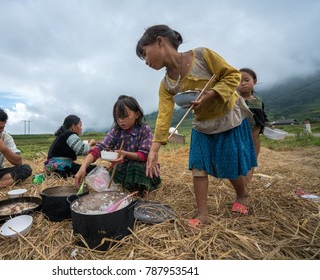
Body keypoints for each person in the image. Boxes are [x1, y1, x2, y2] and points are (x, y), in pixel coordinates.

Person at [136, 24, 257, 228]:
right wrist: (154, 151)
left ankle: (242, 194)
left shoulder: (202, 55)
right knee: (198, 166)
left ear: (159, 41)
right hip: (201, 123)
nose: (146, 61)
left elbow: (232, 76)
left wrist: (209, 95)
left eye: (145, 54)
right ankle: (202, 214)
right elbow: (164, 117)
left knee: (230, 164)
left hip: (226, 116)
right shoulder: (167, 84)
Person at [75, 95, 161, 197]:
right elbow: (99, 148)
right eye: (118, 117)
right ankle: (126, 188)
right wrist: (83, 166)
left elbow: (144, 155)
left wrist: (125, 154)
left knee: (136, 167)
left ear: (137, 114)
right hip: (122, 167)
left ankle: (143, 190)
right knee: (113, 171)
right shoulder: (116, 131)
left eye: (125, 116)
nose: (120, 120)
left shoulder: (144, 130)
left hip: (140, 166)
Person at [237, 68, 270, 184]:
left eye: (246, 80)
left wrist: (269, 125)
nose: (243, 83)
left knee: (252, 161)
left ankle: (247, 184)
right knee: (240, 161)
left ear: (254, 81)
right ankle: (242, 185)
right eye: (239, 81)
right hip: (239, 137)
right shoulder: (235, 100)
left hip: (255, 137)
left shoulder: (258, 101)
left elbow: (263, 116)